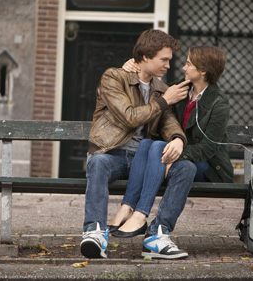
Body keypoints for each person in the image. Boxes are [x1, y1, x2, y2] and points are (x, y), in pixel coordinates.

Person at [81, 29, 196, 260]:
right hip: (114, 154)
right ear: (145, 57)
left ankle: (157, 235)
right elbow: (129, 116)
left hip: (145, 160)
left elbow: (169, 123)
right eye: (163, 59)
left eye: (170, 60)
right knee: (98, 163)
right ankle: (95, 232)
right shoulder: (114, 78)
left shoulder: (162, 89)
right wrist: (165, 101)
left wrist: (177, 138)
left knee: (186, 168)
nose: (167, 65)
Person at [108, 45, 233, 258]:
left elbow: (208, 148)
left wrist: (176, 153)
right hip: (179, 160)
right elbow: (150, 92)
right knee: (149, 144)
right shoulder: (181, 91)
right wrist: (132, 67)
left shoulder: (218, 104)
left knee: (173, 158)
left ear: (203, 70)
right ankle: (140, 218)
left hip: (208, 165)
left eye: (188, 64)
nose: (183, 67)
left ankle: (140, 214)